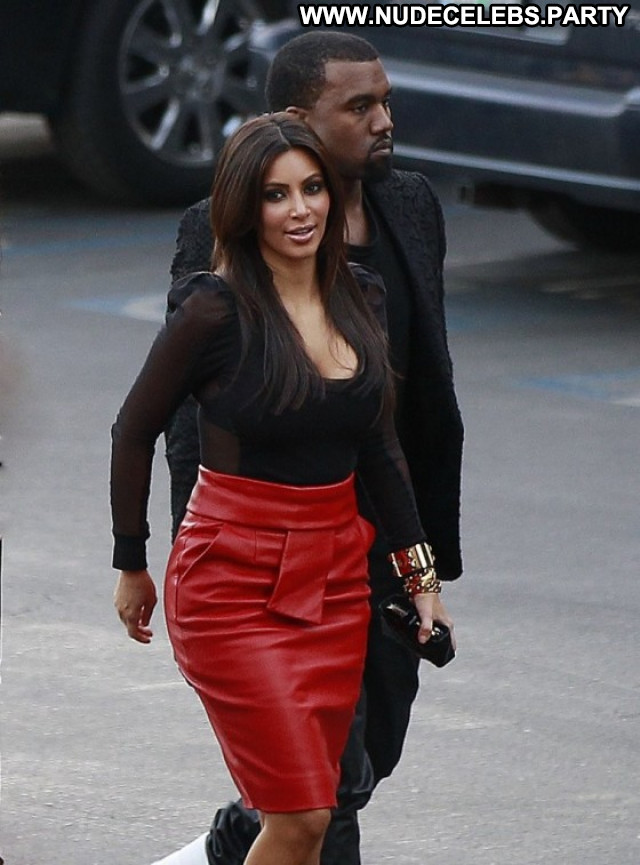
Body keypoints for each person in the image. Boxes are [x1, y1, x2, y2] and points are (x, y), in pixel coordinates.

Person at [112, 112, 453, 865]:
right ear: (245, 208)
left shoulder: (360, 295)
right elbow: (133, 430)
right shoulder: (214, 310)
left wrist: (420, 577)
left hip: (335, 580)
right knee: (302, 816)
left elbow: (380, 448)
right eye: (276, 194)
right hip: (231, 579)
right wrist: (131, 561)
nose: (300, 210)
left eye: (312, 189)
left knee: (319, 808)